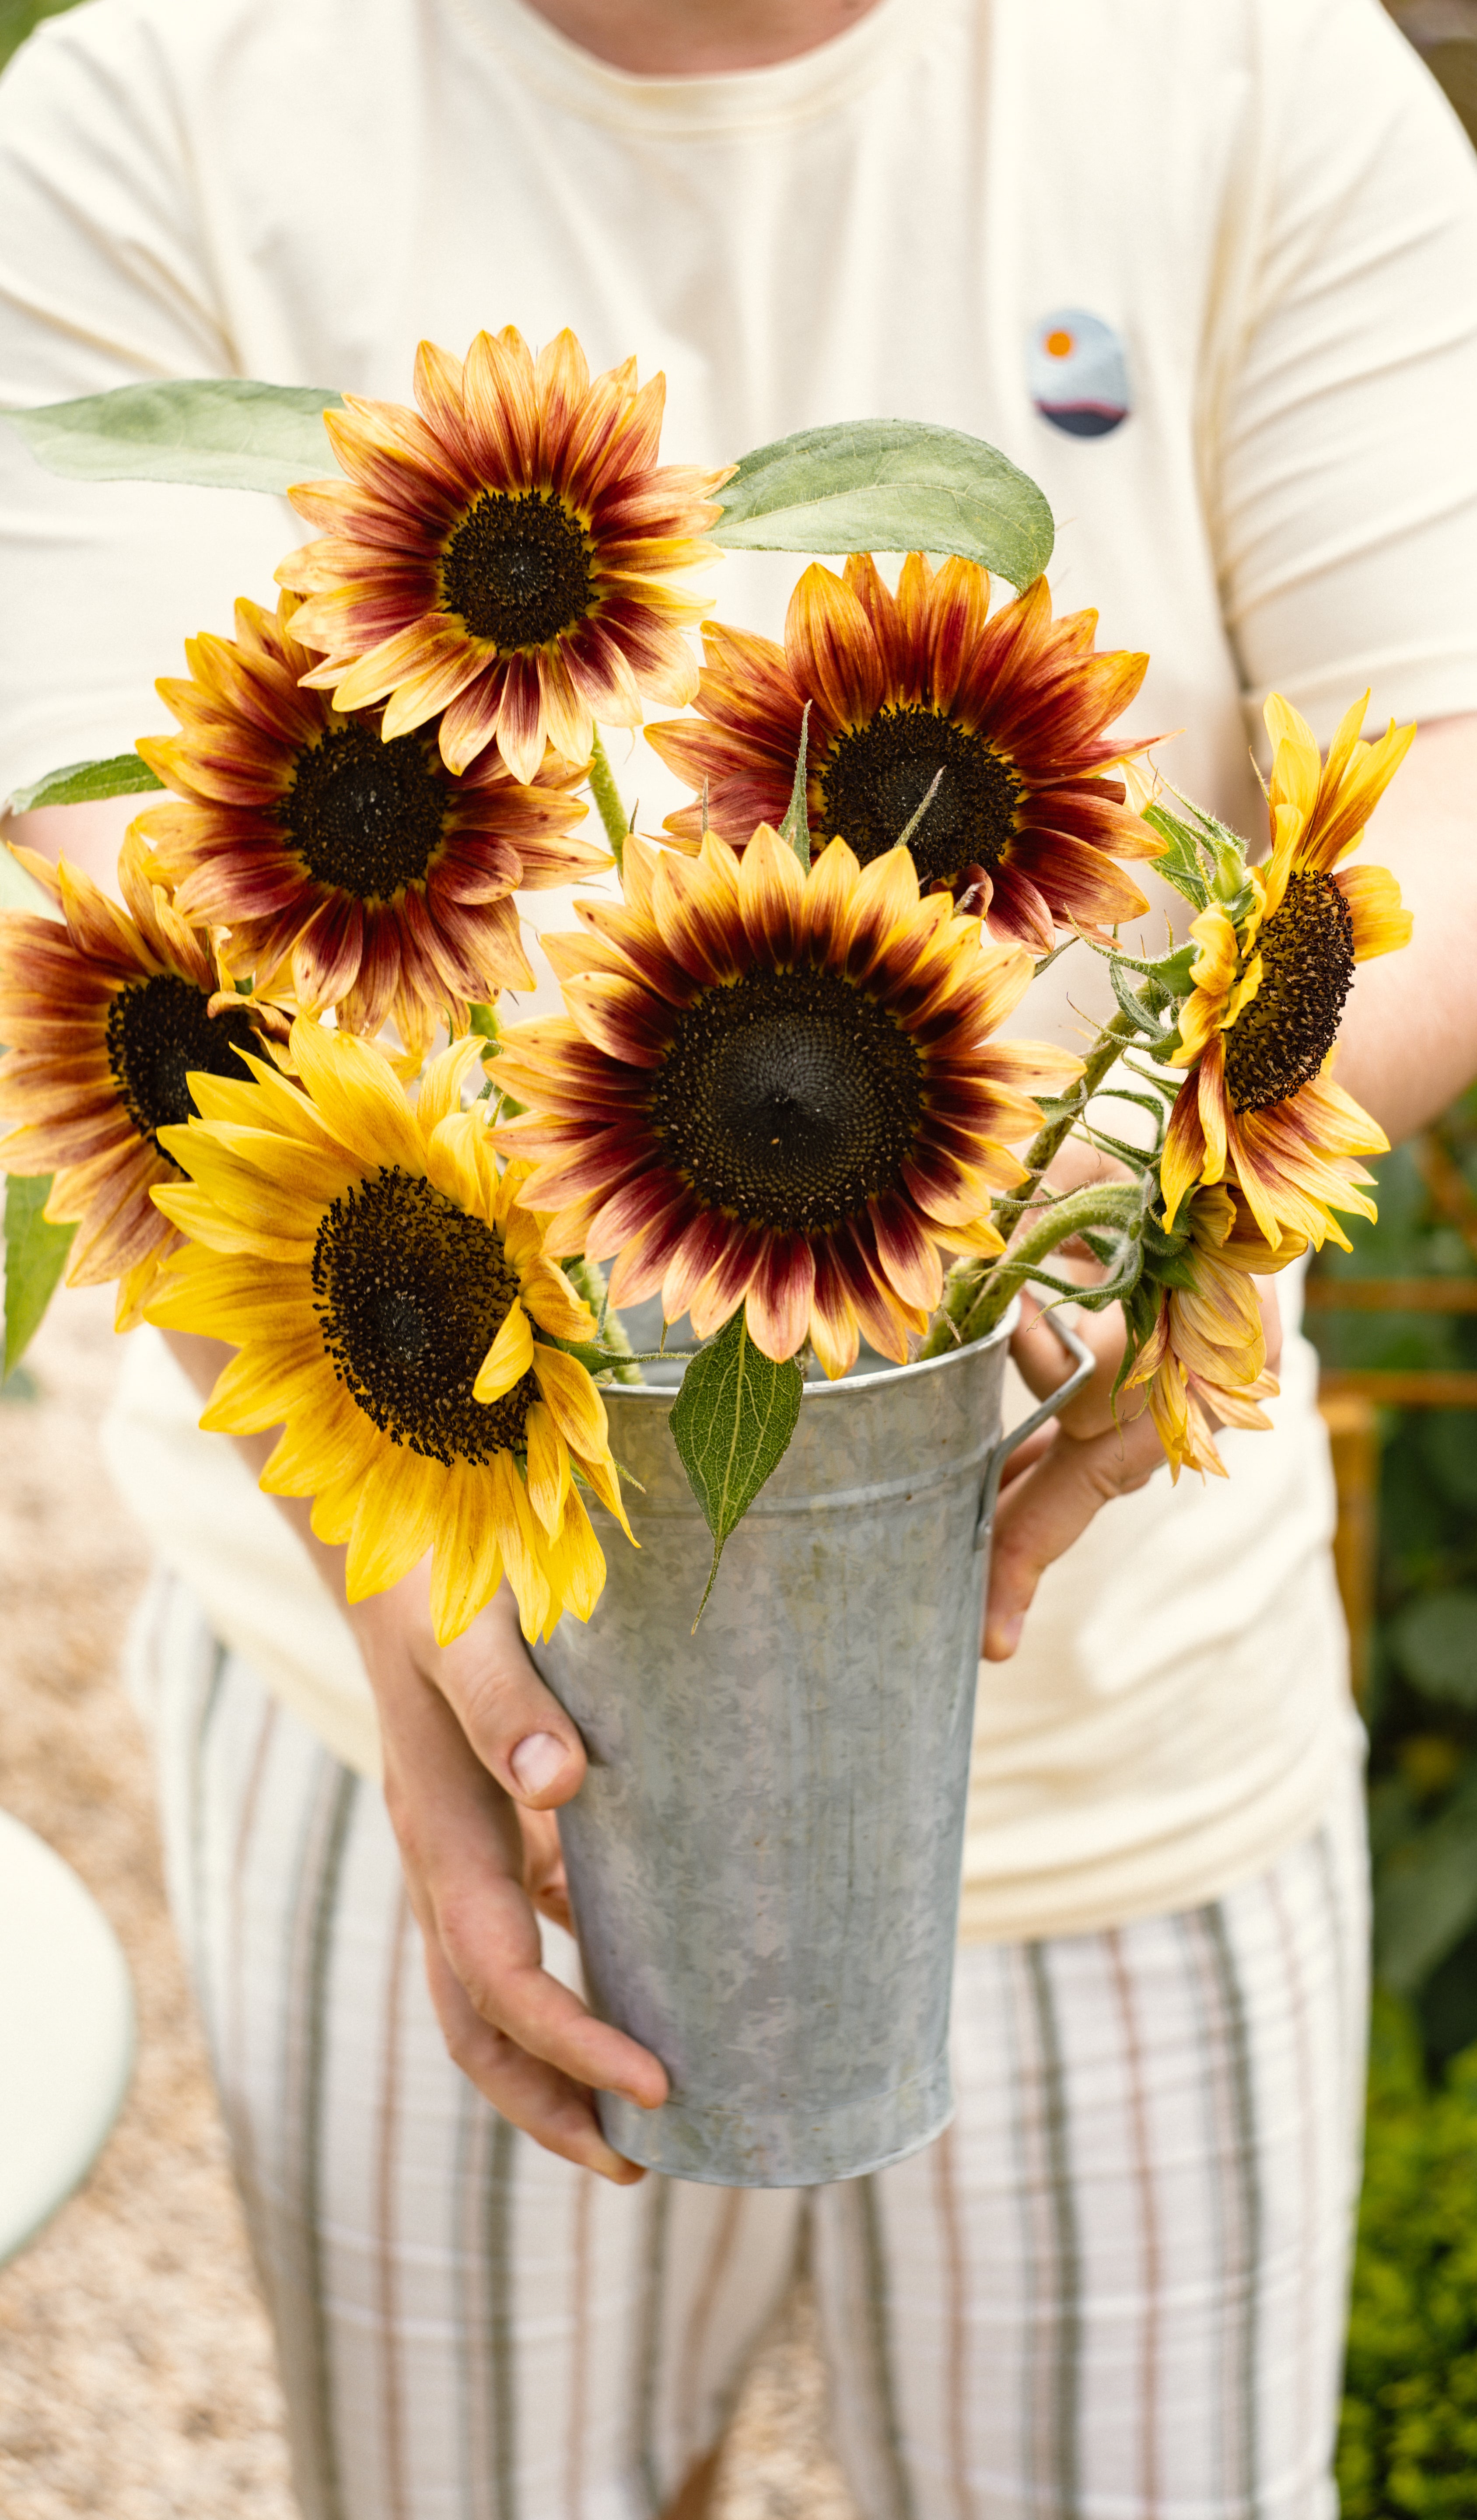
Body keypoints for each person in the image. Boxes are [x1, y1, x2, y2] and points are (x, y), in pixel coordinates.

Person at [4, 0, 1477, 2512]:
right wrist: (390, 1545)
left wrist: (1171, 1188)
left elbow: (1440, 750)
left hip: (1120, 1745)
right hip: (400, 1701)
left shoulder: (1250, 68)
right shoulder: (158, 95)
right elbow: (76, 886)